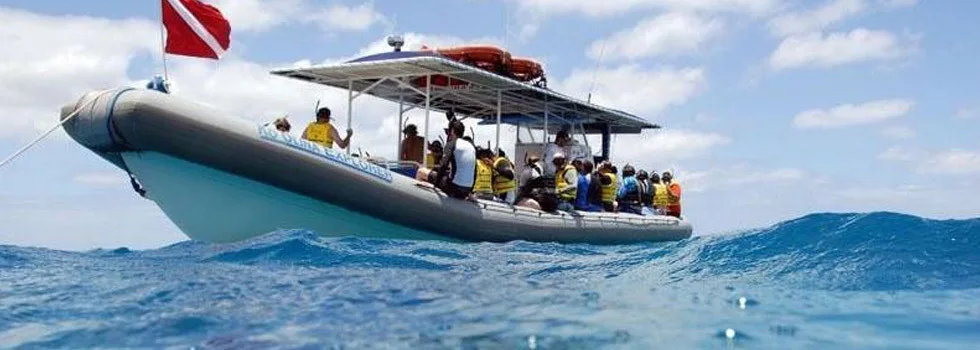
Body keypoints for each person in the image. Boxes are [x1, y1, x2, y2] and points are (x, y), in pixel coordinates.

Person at [432, 119, 476, 200]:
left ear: (452, 131)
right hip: (467, 189)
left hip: (454, 187)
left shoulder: (452, 144)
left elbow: (443, 165)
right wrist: (470, 191)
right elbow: (475, 169)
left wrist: (435, 185)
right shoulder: (471, 146)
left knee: (422, 172)